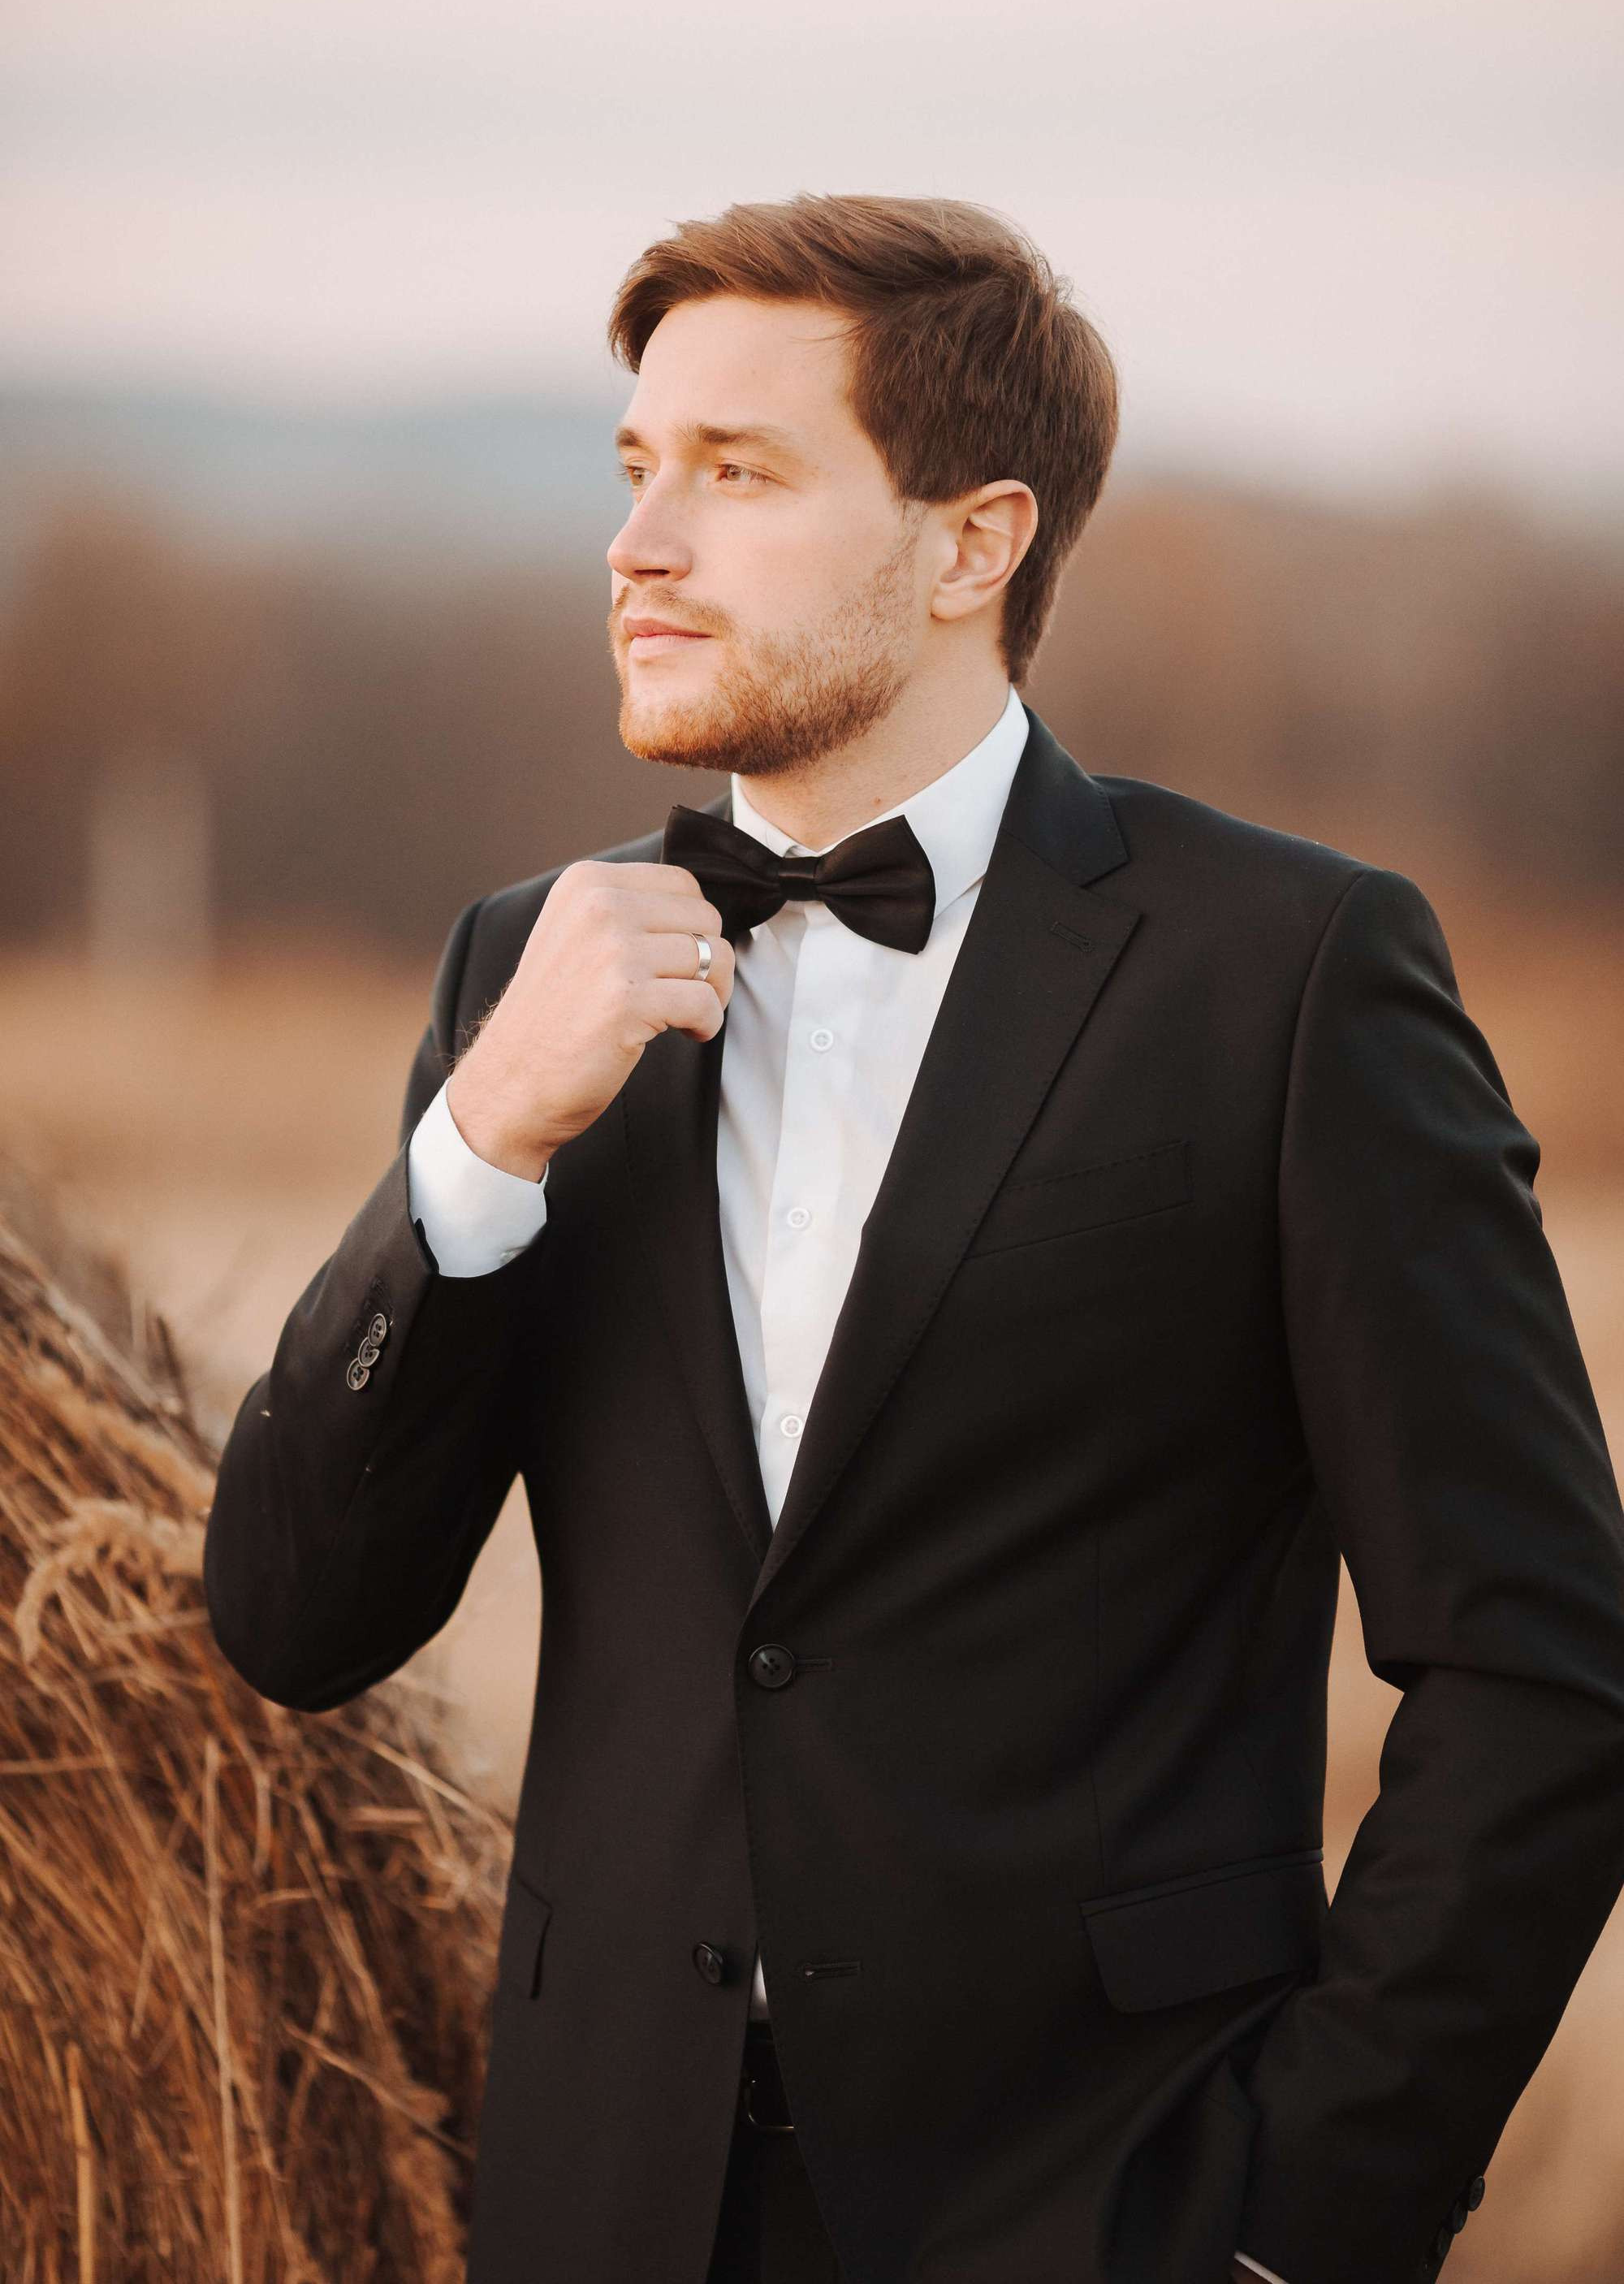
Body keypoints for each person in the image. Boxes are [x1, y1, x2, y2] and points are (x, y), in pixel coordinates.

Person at [203, 193, 1624, 2284]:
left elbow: (1541, 1664)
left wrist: (1300, 2214)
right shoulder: (528, 970)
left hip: (1106, 2202)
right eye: (634, 470)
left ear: (972, 543)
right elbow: (292, 1618)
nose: (639, 547)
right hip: (609, 2208)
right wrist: (480, 1140)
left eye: (737, 473)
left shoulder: (1290, 973)